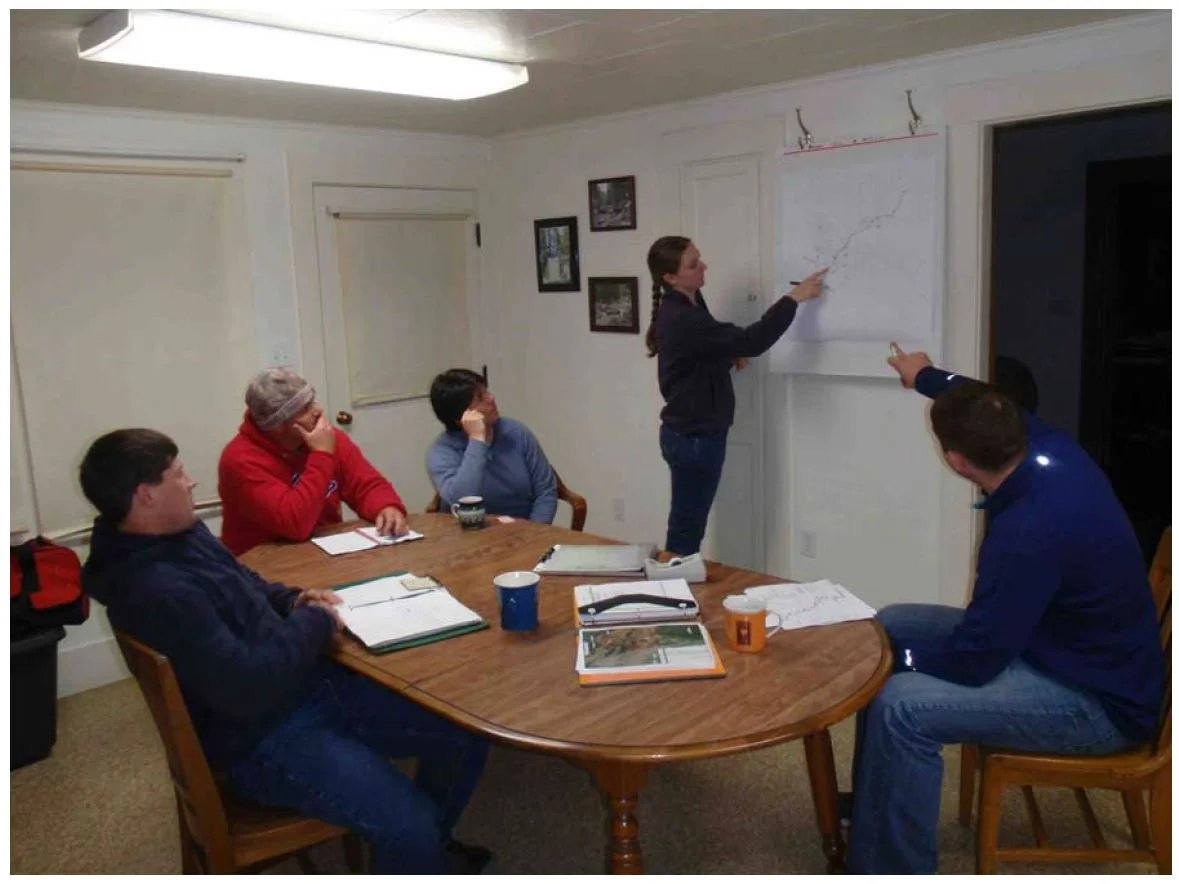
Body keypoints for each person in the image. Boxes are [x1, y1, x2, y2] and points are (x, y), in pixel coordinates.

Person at [78, 429, 493, 874]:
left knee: (464, 731)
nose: (191, 482)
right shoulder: (158, 591)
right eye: (179, 475)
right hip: (261, 737)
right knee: (408, 823)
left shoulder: (179, 534)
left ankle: (427, 852)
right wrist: (314, 621)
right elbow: (249, 686)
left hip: (304, 688)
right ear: (147, 496)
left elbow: (246, 582)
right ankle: (420, 844)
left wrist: (294, 600)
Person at [844, 344, 1164, 874]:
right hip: (1064, 645)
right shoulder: (1045, 445)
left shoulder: (1026, 535)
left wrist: (893, 661)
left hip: (1097, 703)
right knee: (888, 622)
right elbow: (979, 397)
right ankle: (878, 810)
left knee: (900, 702)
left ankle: (890, 868)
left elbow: (976, 660)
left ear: (956, 461)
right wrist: (922, 375)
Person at [644, 235, 826, 555]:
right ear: (670, 277)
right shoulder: (684, 316)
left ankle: (674, 589)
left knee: (687, 524)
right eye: (693, 264)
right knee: (687, 529)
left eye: (699, 258)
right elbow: (752, 340)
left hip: (689, 435)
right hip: (694, 439)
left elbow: (696, 356)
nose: (703, 266)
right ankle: (672, 594)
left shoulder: (689, 303)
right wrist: (792, 299)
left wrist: (728, 356)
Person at [219, 367, 409, 556]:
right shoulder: (239, 461)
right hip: (263, 569)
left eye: (313, 401)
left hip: (324, 556)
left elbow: (366, 485)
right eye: (305, 408)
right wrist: (322, 455)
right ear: (279, 425)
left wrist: (386, 506)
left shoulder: (329, 439)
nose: (318, 410)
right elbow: (296, 524)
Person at [426, 368, 558, 523]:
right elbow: (462, 500)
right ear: (461, 416)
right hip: (472, 536)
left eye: (486, 391)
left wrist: (536, 532)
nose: (492, 398)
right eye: (481, 398)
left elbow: (546, 491)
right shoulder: (442, 452)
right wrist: (477, 441)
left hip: (525, 531)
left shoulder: (516, 432)